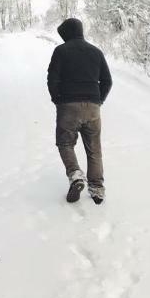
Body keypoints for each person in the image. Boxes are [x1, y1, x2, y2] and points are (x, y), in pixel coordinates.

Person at [47, 17, 112, 204]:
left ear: (66, 33)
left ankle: (75, 174)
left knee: (65, 143)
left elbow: (52, 78)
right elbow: (107, 80)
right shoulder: (96, 52)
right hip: (93, 108)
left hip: (68, 106)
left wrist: (57, 99)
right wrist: (98, 100)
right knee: (94, 150)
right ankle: (97, 189)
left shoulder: (60, 51)